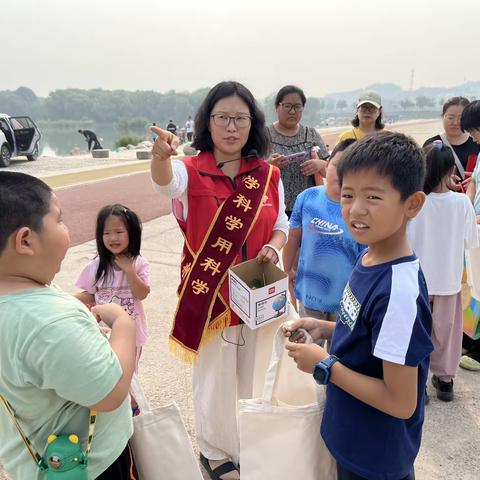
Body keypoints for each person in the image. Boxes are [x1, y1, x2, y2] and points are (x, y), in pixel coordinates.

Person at [150, 80, 288, 480]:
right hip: (210, 293)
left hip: (257, 291)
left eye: (240, 118)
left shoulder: (266, 176)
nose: (231, 127)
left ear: (252, 124)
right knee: (215, 376)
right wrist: (160, 156)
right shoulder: (189, 172)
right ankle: (214, 450)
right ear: (207, 123)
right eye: (222, 118)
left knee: (253, 370)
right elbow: (164, 183)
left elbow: (280, 224)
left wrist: (275, 248)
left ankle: (247, 444)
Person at [284, 132, 433, 480]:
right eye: (348, 195)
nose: (356, 209)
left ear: (411, 204)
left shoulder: (398, 290)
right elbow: (371, 335)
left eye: (373, 197)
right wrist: (324, 328)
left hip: (376, 455)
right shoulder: (369, 255)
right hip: (352, 435)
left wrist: (325, 366)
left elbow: (400, 401)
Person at [0, 172, 137, 479]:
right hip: (90, 464)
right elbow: (112, 392)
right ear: (25, 240)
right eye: (59, 219)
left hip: (31, 457)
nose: (67, 229)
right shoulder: (51, 322)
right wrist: (123, 324)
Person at [408, 141, 478, 401]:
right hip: (448, 281)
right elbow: (472, 241)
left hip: (417, 280)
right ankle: (445, 380)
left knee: (416, 331)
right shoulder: (462, 203)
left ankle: (418, 383)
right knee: (447, 333)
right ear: (451, 170)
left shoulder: (414, 202)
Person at [283, 138, 364, 326]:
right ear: (326, 165)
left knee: (339, 351)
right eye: (338, 165)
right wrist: (287, 270)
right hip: (310, 293)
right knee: (307, 343)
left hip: (347, 299)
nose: (342, 174)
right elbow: (294, 237)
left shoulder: (361, 210)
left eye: (351, 169)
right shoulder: (307, 197)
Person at [75, 204, 151, 370]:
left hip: (131, 334)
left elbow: (142, 293)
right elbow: (91, 294)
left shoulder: (139, 263)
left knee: (129, 374)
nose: (112, 238)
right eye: (106, 233)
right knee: (107, 372)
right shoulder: (95, 266)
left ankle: (131, 397)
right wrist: (65, 299)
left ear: (131, 233)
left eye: (118, 232)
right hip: (103, 332)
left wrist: (129, 270)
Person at [267, 85, 329, 217]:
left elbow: (330, 169)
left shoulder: (311, 134)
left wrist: (319, 164)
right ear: (277, 107)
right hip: (272, 208)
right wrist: (269, 166)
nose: (292, 111)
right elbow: (250, 171)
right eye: (287, 106)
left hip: (308, 208)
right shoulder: (264, 136)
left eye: (297, 106)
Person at [460, 100, 480, 371]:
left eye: (475, 130)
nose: (473, 136)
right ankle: (472, 339)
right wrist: (466, 208)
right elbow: (473, 183)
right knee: (473, 287)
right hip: (475, 229)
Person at [424, 97, 480, 191]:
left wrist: (475, 180)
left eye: (460, 118)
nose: (455, 122)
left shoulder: (477, 141)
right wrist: (443, 182)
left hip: (473, 200)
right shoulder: (431, 144)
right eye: (450, 117)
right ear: (443, 117)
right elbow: (423, 176)